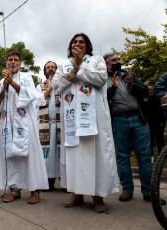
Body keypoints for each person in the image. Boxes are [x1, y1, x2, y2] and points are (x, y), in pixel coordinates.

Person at [52, 34, 118, 212]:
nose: (78, 44)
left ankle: (98, 196)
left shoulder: (96, 60)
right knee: (74, 155)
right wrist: (73, 72)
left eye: (81, 42)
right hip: (73, 118)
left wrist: (80, 65)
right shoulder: (63, 64)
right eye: (75, 42)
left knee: (95, 154)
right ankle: (77, 193)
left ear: (87, 46)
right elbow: (57, 86)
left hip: (94, 118)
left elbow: (101, 79)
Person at [0, 51, 49, 204]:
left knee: (30, 157)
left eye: (16, 60)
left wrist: (12, 83)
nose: (13, 62)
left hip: (25, 124)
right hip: (8, 125)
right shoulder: (1, 81)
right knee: (12, 158)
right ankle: (14, 189)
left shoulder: (26, 77)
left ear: (20, 64)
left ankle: (34, 190)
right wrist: (4, 87)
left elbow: (30, 97)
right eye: (10, 60)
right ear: (6, 64)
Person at [104, 51, 160, 204]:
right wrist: (114, 88)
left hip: (138, 119)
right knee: (122, 157)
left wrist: (131, 85)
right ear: (107, 64)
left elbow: (146, 91)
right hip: (119, 122)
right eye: (114, 60)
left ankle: (149, 192)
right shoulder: (102, 80)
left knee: (144, 157)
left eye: (119, 59)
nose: (118, 61)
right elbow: (103, 98)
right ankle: (127, 189)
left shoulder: (129, 74)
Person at [35, 61, 61, 191]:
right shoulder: (39, 86)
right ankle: (48, 181)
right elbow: (36, 102)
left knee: (61, 152)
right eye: (48, 67)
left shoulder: (63, 84)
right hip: (45, 124)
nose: (51, 69)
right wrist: (49, 89)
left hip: (60, 124)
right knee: (48, 154)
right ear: (44, 71)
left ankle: (65, 181)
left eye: (53, 67)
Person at [144, 81, 166, 157]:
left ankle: (161, 155)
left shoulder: (158, 98)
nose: (150, 91)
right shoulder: (145, 99)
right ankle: (151, 156)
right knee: (150, 139)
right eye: (149, 90)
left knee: (160, 139)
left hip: (159, 121)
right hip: (149, 122)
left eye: (151, 90)